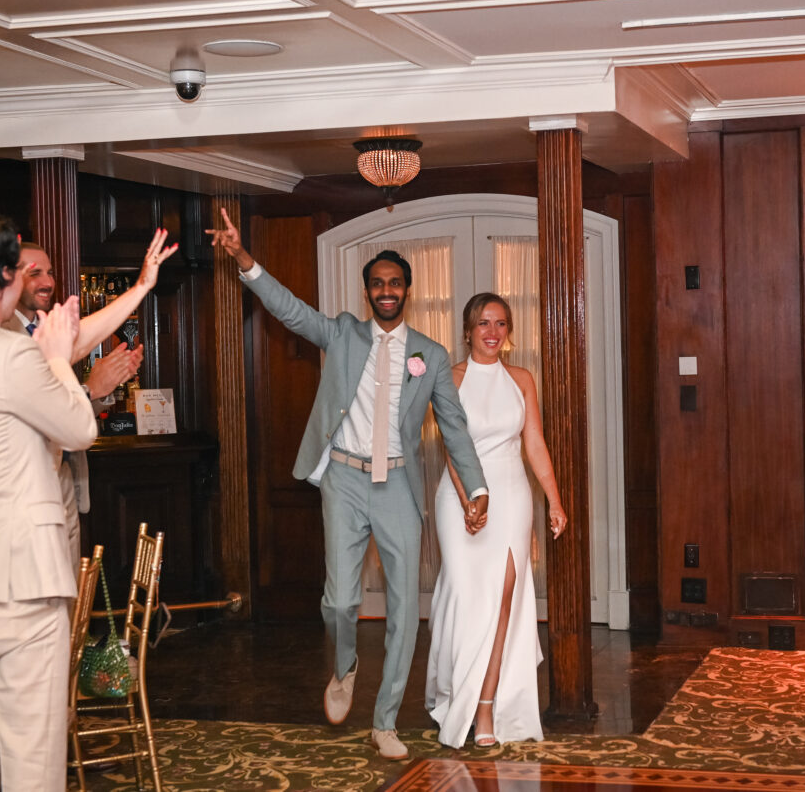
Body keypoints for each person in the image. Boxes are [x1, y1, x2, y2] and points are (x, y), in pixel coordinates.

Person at [207, 208, 488, 761]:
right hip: (343, 478)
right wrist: (243, 257)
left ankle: (386, 721)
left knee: (405, 609)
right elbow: (288, 309)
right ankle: (345, 665)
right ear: (367, 292)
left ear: (407, 290)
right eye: (378, 283)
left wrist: (476, 488)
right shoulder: (341, 333)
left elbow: (454, 427)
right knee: (339, 602)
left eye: (395, 283)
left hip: (397, 485)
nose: (387, 291)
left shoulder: (429, 356)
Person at [0, 209, 98, 791]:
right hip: (21, 580)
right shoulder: (7, 353)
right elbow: (79, 428)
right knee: (32, 758)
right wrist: (56, 356)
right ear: (5, 277)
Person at [426, 292, 568, 748]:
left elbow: (535, 443)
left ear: (509, 331)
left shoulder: (522, 379)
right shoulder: (449, 378)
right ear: (468, 330)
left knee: (504, 598)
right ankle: (456, 694)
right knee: (466, 595)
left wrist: (554, 500)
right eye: (484, 323)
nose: (493, 332)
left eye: (501, 323)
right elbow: (452, 448)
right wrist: (469, 499)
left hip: (511, 495)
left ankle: (486, 705)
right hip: (460, 496)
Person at [7, 232, 177, 569]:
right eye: (34, 273)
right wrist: (90, 390)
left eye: (50, 273)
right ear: (7, 277)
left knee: (69, 588)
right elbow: (50, 414)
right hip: (21, 498)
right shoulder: (1, 336)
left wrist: (142, 286)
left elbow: (84, 337)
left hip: (62, 485)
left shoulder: (46, 328)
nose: (47, 282)